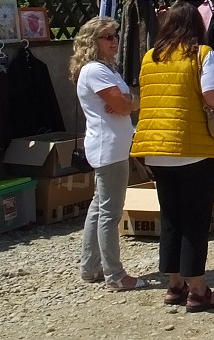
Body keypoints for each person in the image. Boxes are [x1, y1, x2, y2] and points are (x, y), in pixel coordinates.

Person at [131, 1, 214, 312]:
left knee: (171, 217)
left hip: (157, 150)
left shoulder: (150, 57)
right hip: (193, 149)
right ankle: (199, 290)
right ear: (196, 26)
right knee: (195, 219)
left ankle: (174, 284)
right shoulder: (202, 55)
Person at [72, 16, 145, 291]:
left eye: (115, 35)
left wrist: (128, 101)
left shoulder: (105, 69)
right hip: (109, 148)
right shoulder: (96, 71)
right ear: (93, 41)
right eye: (107, 37)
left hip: (110, 145)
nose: (114, 41)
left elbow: (130, 102)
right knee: (109, 213)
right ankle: (114, 274)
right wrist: (128, 102)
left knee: (99, 207)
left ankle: (90, 267)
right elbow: (126, 106)